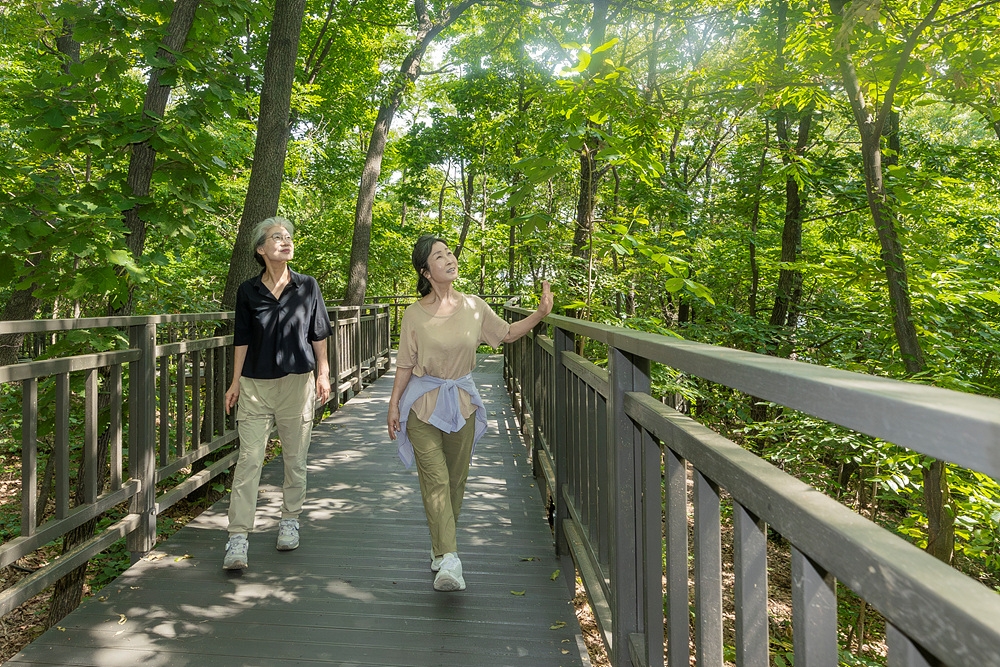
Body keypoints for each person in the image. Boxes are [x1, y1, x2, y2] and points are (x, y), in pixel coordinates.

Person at [386, 235, 553, 592]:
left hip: (462, 403)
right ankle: (450, 559)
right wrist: (393, 405)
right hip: (421, 404)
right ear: (425, 271)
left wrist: (540, 314)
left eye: (450, 253)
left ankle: (441, 549)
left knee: (455, 483)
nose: (449, 258)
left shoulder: (474, 306)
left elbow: (506, 334)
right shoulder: (414, 314)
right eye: (439, 256)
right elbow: (404, 364)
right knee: (435, 480)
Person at [222, 216, 332, 570]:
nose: (285, 241)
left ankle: (290, 519)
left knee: (294, 459)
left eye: (288, 237)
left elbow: (319, 333)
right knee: (249, 460)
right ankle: (238, 537)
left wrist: (324, 373)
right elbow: (242, 338)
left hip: (296, 383)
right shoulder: (248, 291)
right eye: (276, 237)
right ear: (260, 248)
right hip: (254, 385)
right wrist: (234, 380)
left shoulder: (307, 286)